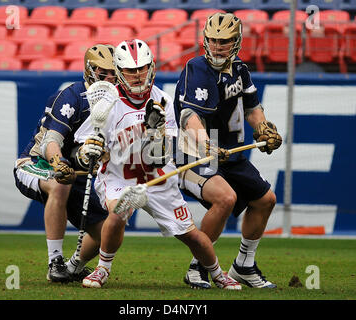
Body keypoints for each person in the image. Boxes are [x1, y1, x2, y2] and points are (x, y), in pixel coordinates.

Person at [78, 39, 241, 290]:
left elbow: (164, 153)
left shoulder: (162, 100)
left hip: (156, 175)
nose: (138, 75)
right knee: (118, 211)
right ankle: (102, 268)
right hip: (119, 176)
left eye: (142, 68)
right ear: (121, 72)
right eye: (131, 70)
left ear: (151, 67)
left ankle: (218, 273)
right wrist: (89, 150)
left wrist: (156, 134)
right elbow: (84, 147)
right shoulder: (108, 103)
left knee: (191, 235)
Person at [173, 12, 282, 289]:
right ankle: (198, 267)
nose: (218, 46)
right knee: (225, 198)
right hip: (197, 150)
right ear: (205, 40)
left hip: (231, 151)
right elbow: (189, 117)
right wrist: (207, 144)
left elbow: (252, 108)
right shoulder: (196, 68)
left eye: (225, 41)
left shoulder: (240, 70)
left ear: (236, 41)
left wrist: (264, 129)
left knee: (266, 199)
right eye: (213, 40)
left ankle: (244, 265)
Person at [13, 44, 116, 283]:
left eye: (114, 72)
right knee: (60, 184)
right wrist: (58, 163)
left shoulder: (119, 101)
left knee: (108, 233)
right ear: (90, 70)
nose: (110, 77)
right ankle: (55, 261)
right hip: (38, 161)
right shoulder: (72, 96)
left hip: (79, 170)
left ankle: (72, 267)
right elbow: (52, 139)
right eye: (104, 71)